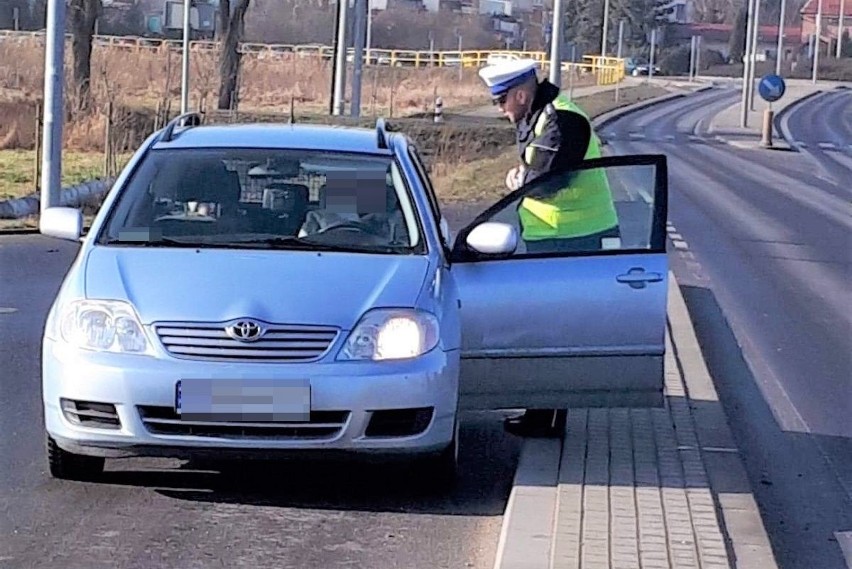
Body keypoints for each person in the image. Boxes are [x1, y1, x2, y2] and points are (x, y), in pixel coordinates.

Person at [477, 59, 621, 438]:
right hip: (553, 238)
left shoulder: (561, 120)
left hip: (576, 239)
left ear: (522, 94)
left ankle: (548, 419)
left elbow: (546, 181)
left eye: (501, 100)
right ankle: (542, 412)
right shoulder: (537, 117)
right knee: (548, 329)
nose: (500, 109)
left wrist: (520, 180)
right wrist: (523, 177)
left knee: (555, 332)